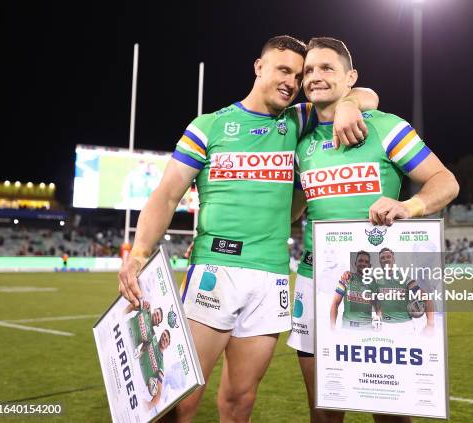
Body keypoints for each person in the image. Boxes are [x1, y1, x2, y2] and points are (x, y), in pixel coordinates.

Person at [118, 35, 379, 422]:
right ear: (259, 67)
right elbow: (167, 194)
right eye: (283, 70)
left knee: (240, 400)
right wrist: (138, 254)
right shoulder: (211, 126)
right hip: (214, 271)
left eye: (298, 74)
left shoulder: (297, 121)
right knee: (180, 398)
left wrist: (347, 105)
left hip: (270, 278)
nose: (292, 81)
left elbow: (369, 95)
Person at [288, 37, 459, 423]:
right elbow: (297, 206)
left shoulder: (386, 128)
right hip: (316, 279)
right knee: (324, 410)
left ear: (350, 77)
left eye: (326, 68)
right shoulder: (300, 139)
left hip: (383, 279)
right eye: (309, 71)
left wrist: (408, 206)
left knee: (390, 410)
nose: (315, 77)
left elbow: (445, 182)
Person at [376, 247, 434, 335]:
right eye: (382, 258)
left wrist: (430, 324)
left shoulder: (404, 278)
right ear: (380, 261)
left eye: (388, 257)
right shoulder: (378, 280)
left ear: (393, 259)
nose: (386, 259)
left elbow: (426, 297)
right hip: (385, 326)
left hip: (405, 327)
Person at [329, 250, 379, 330]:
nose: (363, 263)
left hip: (367, 330)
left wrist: (379, 325)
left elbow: (378, 307)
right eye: (360, 261)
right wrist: (332, 328)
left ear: (369, 265)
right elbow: (335, 303)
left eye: (366, 262)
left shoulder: (373, 282)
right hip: (348, 329)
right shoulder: (346, 277)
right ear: (355, 263)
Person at [135, 329, 171, 410]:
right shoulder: (152, 339)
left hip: (138, 384)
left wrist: (149, 405)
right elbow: (141, 345)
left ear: (167, 345)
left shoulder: (161, 366)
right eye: (164, 335)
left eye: (167, 340)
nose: (164, 339)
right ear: (161, 334)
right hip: (131, 366)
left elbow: (158, 393)